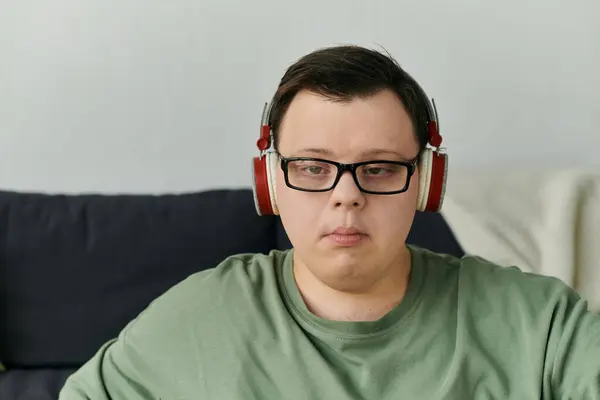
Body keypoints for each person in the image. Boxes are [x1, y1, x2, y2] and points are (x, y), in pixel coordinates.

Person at [59, 45, 600, 399]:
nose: (347, 197)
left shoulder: (543, 324)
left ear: (426, 183)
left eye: (380, 168)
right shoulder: (200, 315)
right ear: (271, 181)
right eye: (313, 167)